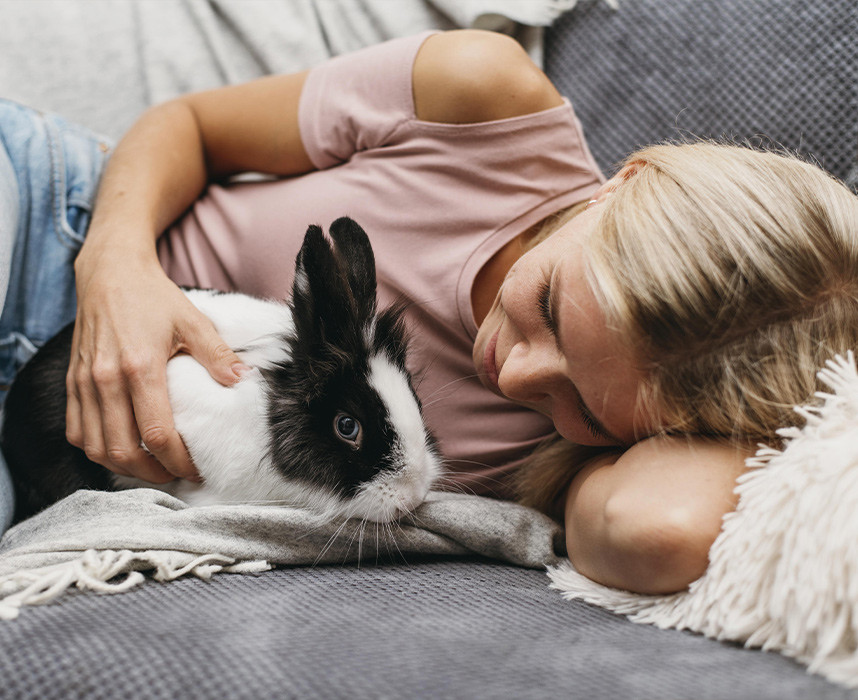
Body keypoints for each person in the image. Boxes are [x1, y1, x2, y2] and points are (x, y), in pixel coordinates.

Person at [1, 30, 856, 595]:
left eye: (583, 404)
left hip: (73, 464)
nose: (514, 374)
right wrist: (112, 266)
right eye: (551, 307)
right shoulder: (484, 99)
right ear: (625, 184)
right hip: (59, 222)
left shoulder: (597, 458)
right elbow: (187, 125)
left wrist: (753, 416)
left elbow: (657, 531)